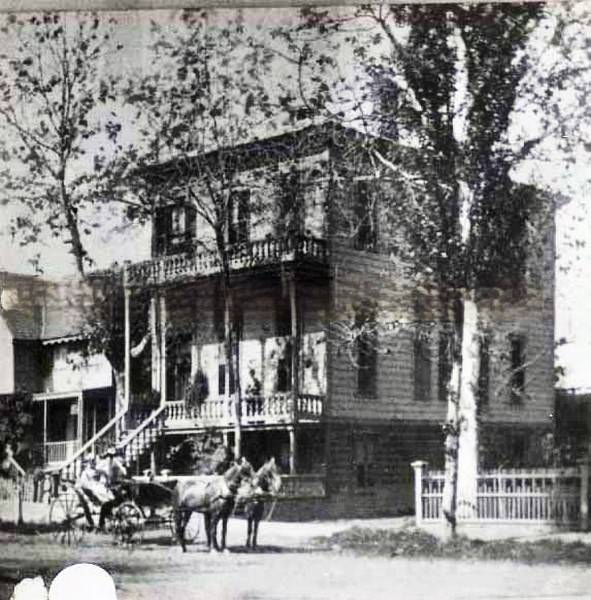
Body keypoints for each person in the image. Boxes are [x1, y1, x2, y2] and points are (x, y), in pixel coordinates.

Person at [98, 448, 128, 532]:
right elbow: (98, 469)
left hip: (113, 485)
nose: (110, 457)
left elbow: (123, 471)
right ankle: (101, 523)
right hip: (104, 486)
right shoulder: (104, 463)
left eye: (112, 455)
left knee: (115, 498)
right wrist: (103, 472)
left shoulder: (115, 462)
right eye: (109, 455)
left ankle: (109, 518)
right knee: (106, 503)